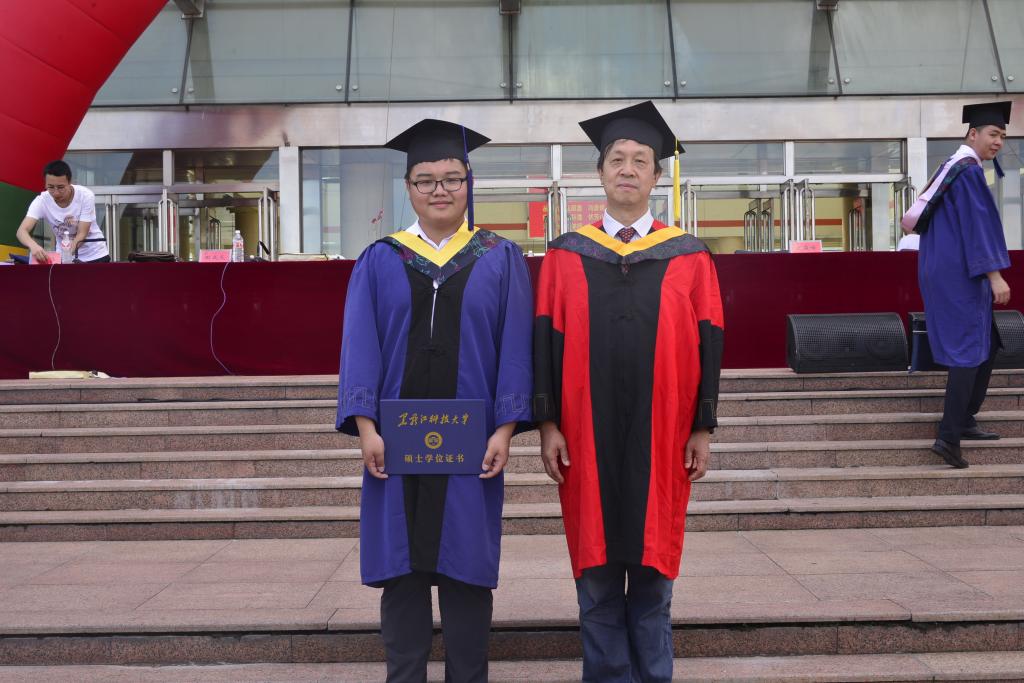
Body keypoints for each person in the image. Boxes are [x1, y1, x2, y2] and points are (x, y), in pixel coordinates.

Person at [532, 101, 724, 682]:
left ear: (657, 176)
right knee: (595, 581)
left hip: (663, 435)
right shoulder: (566, 255)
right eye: (617, 159)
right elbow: (544, 342)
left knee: (652, 578)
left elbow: (710, 343)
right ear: (600, 172)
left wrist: (703, 427)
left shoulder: (690, 256)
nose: (628, 169)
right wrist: (547, 424)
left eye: (641, 160)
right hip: (584, 437)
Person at [335, 119, 533, 683]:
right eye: (426, 180)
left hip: (472, 445)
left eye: (451, 178)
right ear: (409, 188)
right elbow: (360, 345)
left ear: (469, 184)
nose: (439, 189)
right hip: (393, 446)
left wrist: (505, 429)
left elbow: (515, 348)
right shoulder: (380, 258)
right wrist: (366, 427)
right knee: (403, 575)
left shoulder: (500, 257)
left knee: (466, 571)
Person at [903, 101, 1012, 469]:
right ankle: (948, 437)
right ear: (973, 133)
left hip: (945, 268)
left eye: (1003, 136)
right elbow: (977, 226)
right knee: (968, 348)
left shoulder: (952, 167)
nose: (998, 142)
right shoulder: (966, 172)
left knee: (988, 341)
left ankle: (964, 418)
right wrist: (995, 274)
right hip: (960, 273)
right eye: (993, 134)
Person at [16, 160, 109, 263]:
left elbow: (82, 233)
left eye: (61, 187)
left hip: (95, 255)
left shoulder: (85, 196)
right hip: (64, 256)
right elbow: (21, 231)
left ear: (70, 182)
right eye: (50, 187)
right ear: (45, 184)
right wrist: (34, 246)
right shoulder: (42, 201)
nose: (56, 193)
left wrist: (66, 255)